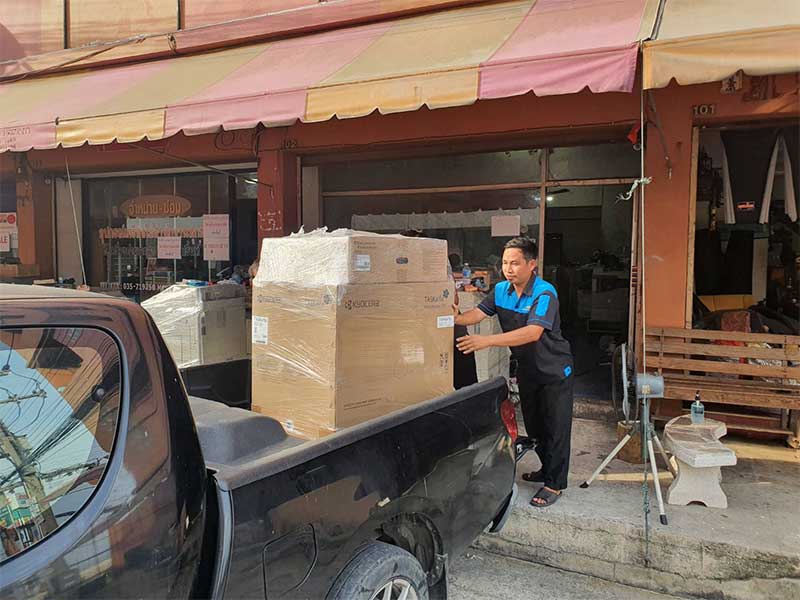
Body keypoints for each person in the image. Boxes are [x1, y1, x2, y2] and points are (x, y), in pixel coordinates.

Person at [454, 237, 574, 507]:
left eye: (515, 263)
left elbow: (533, 332)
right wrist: (456, 317)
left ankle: (554, 484)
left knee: (556, 427)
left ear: (532, 264)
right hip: (528, 369)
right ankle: (547, 468)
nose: (508, 269)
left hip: (554, 369)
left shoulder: (544, 293)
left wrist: (486, 341)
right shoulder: (501, 290)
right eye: (505, 263)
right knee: (534, 425)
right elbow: (478, 314)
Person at [399, 230, 478, 389]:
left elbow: (453, 299)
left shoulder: (435, 265)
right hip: (429, 332)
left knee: (461, 383)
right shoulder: (405, 270)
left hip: (448, 330)